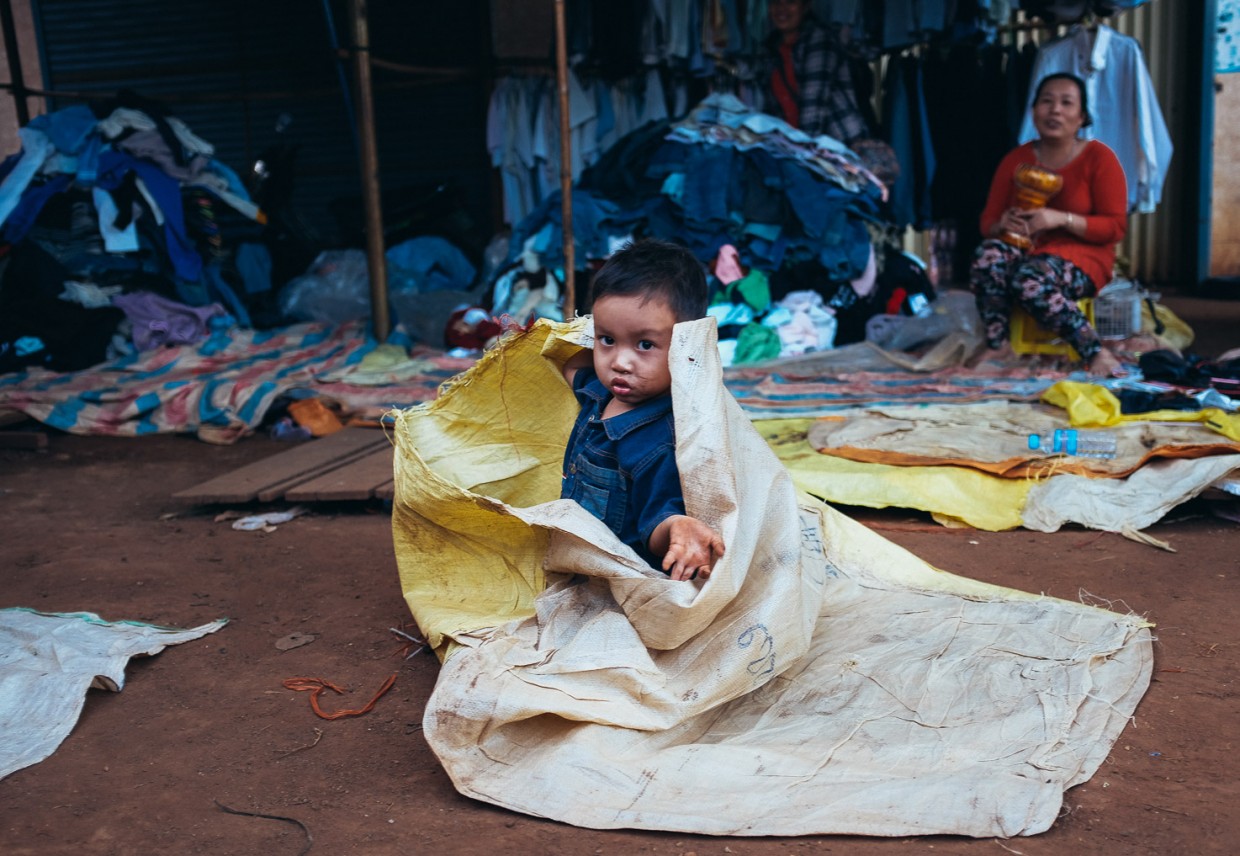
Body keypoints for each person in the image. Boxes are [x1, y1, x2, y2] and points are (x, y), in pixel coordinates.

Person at [559, 239, 726, 582]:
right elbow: (567, 367)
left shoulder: (657, 442)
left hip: (617, 578)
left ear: (686, 345)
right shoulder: (598, 392)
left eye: (645, 344)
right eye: (607, 339)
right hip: (573, 552)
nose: (620, 363)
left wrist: (678, 527)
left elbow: (657, 521)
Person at [970, 72, 1128, 377]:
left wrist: (1061, 219)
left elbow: (1114, 228)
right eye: (1046, 102)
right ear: (1033, 112)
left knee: (1031, 277)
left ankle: (1093, 351)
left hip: (1085, 256)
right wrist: (1003, 223)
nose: (1055, 110)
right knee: (988, 255)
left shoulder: (1100, 159)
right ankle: (998, 342)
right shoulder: (1016, 159)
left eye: (1066, 103)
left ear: (1081, 117)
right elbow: (987, 223)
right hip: (1028, 251)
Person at [760, 0, 867, 145]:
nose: (781, 9)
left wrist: (804, 152)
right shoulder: (771, 48)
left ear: (805, 7)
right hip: (797, 146)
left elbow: (814, 105)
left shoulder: (819, 38)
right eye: (776, 2)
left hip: (837, 144)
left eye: (790, 2)